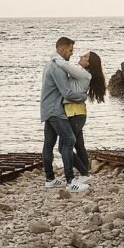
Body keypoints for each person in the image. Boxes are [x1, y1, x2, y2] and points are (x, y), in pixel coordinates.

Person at [40, 37, 87, 193]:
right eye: (71, 51)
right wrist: (83, 97)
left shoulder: (49, 64)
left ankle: (50, 179)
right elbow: (66, 91)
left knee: (49, 144)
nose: (72, 54)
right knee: (69, 140)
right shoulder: (57, 68)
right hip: (55, 110)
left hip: (47, 108)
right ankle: (70, 181)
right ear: (62, 50)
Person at [54, 51, 107, 181]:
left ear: (89, 63)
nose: (80, 57)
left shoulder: (84, 74)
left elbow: (66, 66)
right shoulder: (83, 74)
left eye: (84, 56)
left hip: (75, 114)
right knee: (78, 145)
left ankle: (83, 173)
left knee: (63, 147)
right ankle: (85, 173)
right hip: (76, 113)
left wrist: (55, 56)